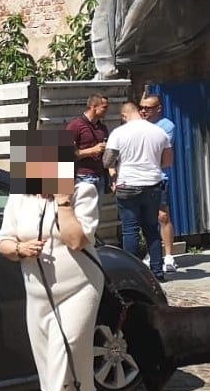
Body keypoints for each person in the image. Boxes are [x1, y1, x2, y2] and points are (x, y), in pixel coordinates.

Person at [0, 130, 104, 391]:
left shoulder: (83, 192)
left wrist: (63, 200)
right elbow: (3, 240)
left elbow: (76, 241)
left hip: (80, 288)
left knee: (64, 352)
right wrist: (19, 249)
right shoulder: (20, 198)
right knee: (49, 360)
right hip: (38, 293)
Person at [105, 100, 173, 283]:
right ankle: (158, 272)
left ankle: (131, 274)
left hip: (127, 185)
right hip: (152, 184)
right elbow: (167, 162)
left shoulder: (118, 133)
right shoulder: (160, 132)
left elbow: (107, 161)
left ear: (124, 116)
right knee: (151, 229)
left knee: (130, 230)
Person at [139, 90, 179, 273]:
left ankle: (169, 255)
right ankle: (152, 253)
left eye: (148, 108)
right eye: (142, 108)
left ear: (159, 109)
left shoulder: (166, 126)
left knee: (163, 216)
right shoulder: (138, 125)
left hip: (158, 177)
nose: (144, 111)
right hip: (141, 177)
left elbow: (158, 151)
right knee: (145, 218)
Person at [66, 94, 110, 194]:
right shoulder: (76, 125)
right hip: (82, 177)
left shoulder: (102, 128)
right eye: (104, 107)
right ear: (93, 106)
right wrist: (92, 151)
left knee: (97, 210)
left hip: (100, 177)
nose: (107, 110)